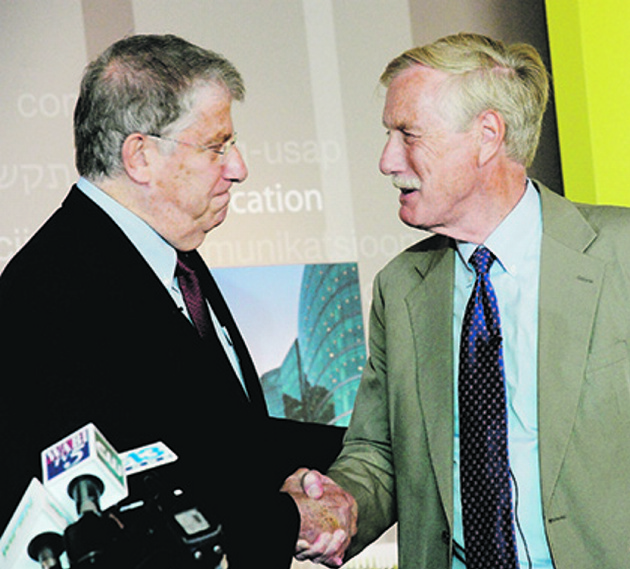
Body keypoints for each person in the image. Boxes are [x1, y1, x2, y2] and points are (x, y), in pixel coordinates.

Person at [282, 32, 630, 568]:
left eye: (407, 134)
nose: (386, 160)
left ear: (487, 135)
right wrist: (340, 503)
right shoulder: (400, 288)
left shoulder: (621, 254)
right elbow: (379, 455)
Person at [0, 34, 344, 568]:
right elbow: (110, 523)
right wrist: (288, 518)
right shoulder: (50, 295)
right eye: (217, 145)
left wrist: (379, 447)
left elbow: (224, 437)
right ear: (140, 155)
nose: (239, 167)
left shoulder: (166, 254)